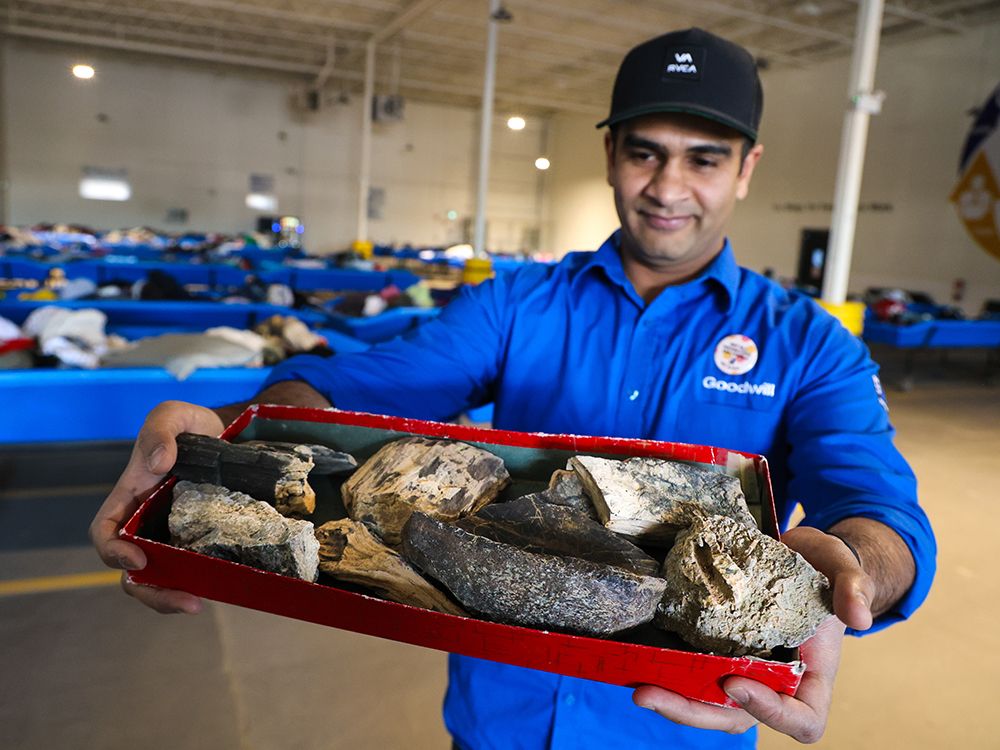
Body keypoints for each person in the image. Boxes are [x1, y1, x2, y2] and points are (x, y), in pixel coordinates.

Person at [91, 27, 935, 750]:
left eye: (703, 160)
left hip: (685, 724)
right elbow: (350, 386)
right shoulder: (516, 303)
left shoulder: (811, 342)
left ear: (746, 168)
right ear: (610, 153)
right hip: (499, 715)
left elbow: (879, 503)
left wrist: (857, 567)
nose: (668, 187)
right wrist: (230, 442)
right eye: (645, 152)